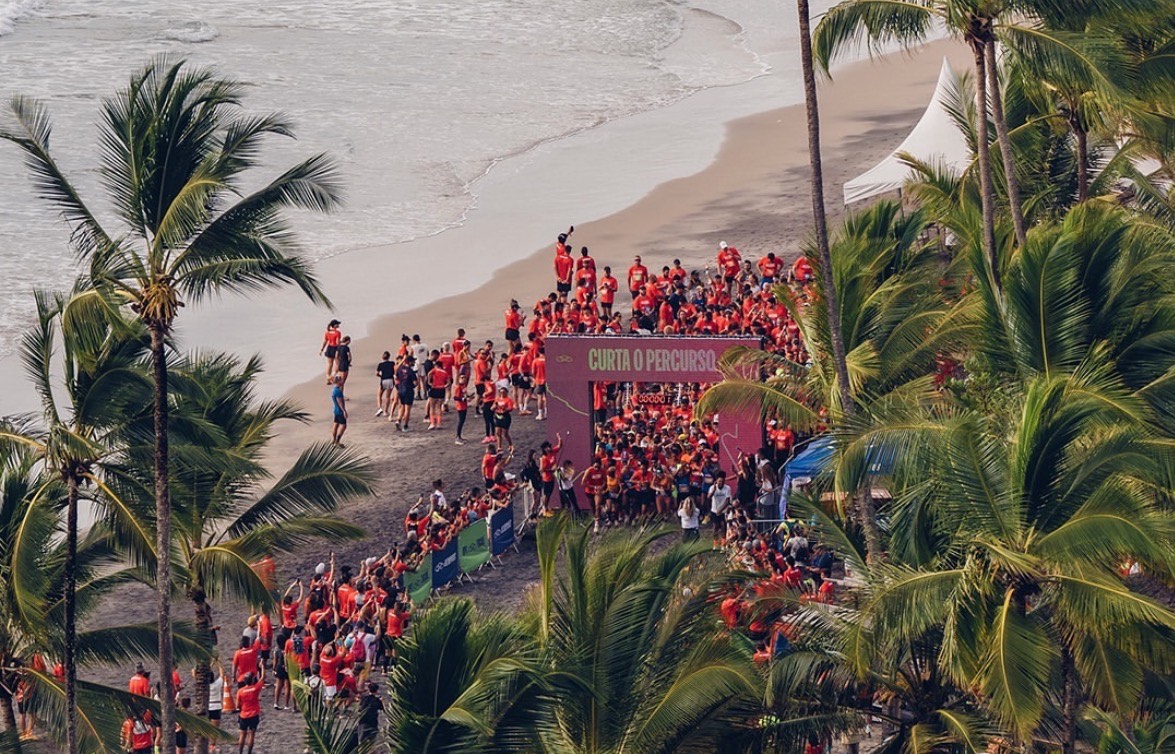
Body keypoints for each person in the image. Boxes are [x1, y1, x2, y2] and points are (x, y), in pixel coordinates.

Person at [235, 669, 265, 754]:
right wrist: (262, 667)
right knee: (251, 734)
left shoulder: (240, 691)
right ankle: (249, 752)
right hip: (254, 714)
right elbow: (262, 678)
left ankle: (240, 752)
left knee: (242, 735)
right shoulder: (256, 688)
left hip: (244, 715)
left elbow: (237, 706)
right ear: (252, 680)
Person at [426, 351, 450, 430]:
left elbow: (429, 374)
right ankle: (439, 424)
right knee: (439, 408)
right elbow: (448, 382)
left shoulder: (435, 370)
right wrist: (444, 386)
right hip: (441, 390)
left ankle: (432, 423)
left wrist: (429, 382)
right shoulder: (445, 372)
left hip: (434, 388)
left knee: (432, 407)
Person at [357, 682, 384, 747]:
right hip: (372, 722)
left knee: (361, 742)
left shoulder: (363, 698)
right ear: (377, 690)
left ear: (368, 689)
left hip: (363, 721)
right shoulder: (377, 701)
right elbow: (382, 708)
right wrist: (381, 701)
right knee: (371, 742)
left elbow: (360, 707)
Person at [395, 356, 418, 430]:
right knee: (408, 409)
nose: (414, 363)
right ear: (410, 362)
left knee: (402, 406)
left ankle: (398, 420)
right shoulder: (410, 371)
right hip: (408, 390)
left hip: (401, 389)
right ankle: (405, 426)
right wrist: (413, 385)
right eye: (413, 361)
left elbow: (397, 376)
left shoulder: (400, 368)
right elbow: (415, 383)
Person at [492, 386, 515, 452]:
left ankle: (511, 445)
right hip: (497, 416)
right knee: (498, 432)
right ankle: (499, 446)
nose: (502, 394)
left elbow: (510, 408)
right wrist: (495, 406)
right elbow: (492, 408)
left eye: (503, 392)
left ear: (506, 393)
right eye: (501, 392)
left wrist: (505, 409)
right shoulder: (497, 399)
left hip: (505, 417)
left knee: (505, 433)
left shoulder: (508, 400)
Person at [320, 319, 341, 384]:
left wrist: (322, 349)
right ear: (334, 325)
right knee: (337, 364)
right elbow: (337, 342)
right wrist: (342, 344)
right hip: (335, 348)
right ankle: (332, 376)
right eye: (337, 324)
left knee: (329, 364)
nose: (338, 325)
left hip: (329, 348)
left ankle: (328, 378)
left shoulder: (327, 332)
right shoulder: (337, 333)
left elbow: (325, 341)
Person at [376, 351, 395, 417]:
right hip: (390, 379)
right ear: (389, 357)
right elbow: (394, 371)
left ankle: (379, 408)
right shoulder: (392, 363)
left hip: (383, 379)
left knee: (379, 394)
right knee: (387, 396)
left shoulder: (380, 364)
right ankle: (385, 411)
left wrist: (381, 376)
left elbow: (377, 373)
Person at [330, 374, 348, 446]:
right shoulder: (338, 391)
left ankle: (334, 440)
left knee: (336, 424)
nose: (342, 381)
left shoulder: (334, 390)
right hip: (339, 411)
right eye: (341, 380)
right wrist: (344, 411)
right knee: (343, 425)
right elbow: (340, 402)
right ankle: (337, 441)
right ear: (338, 381)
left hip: (335, 410)